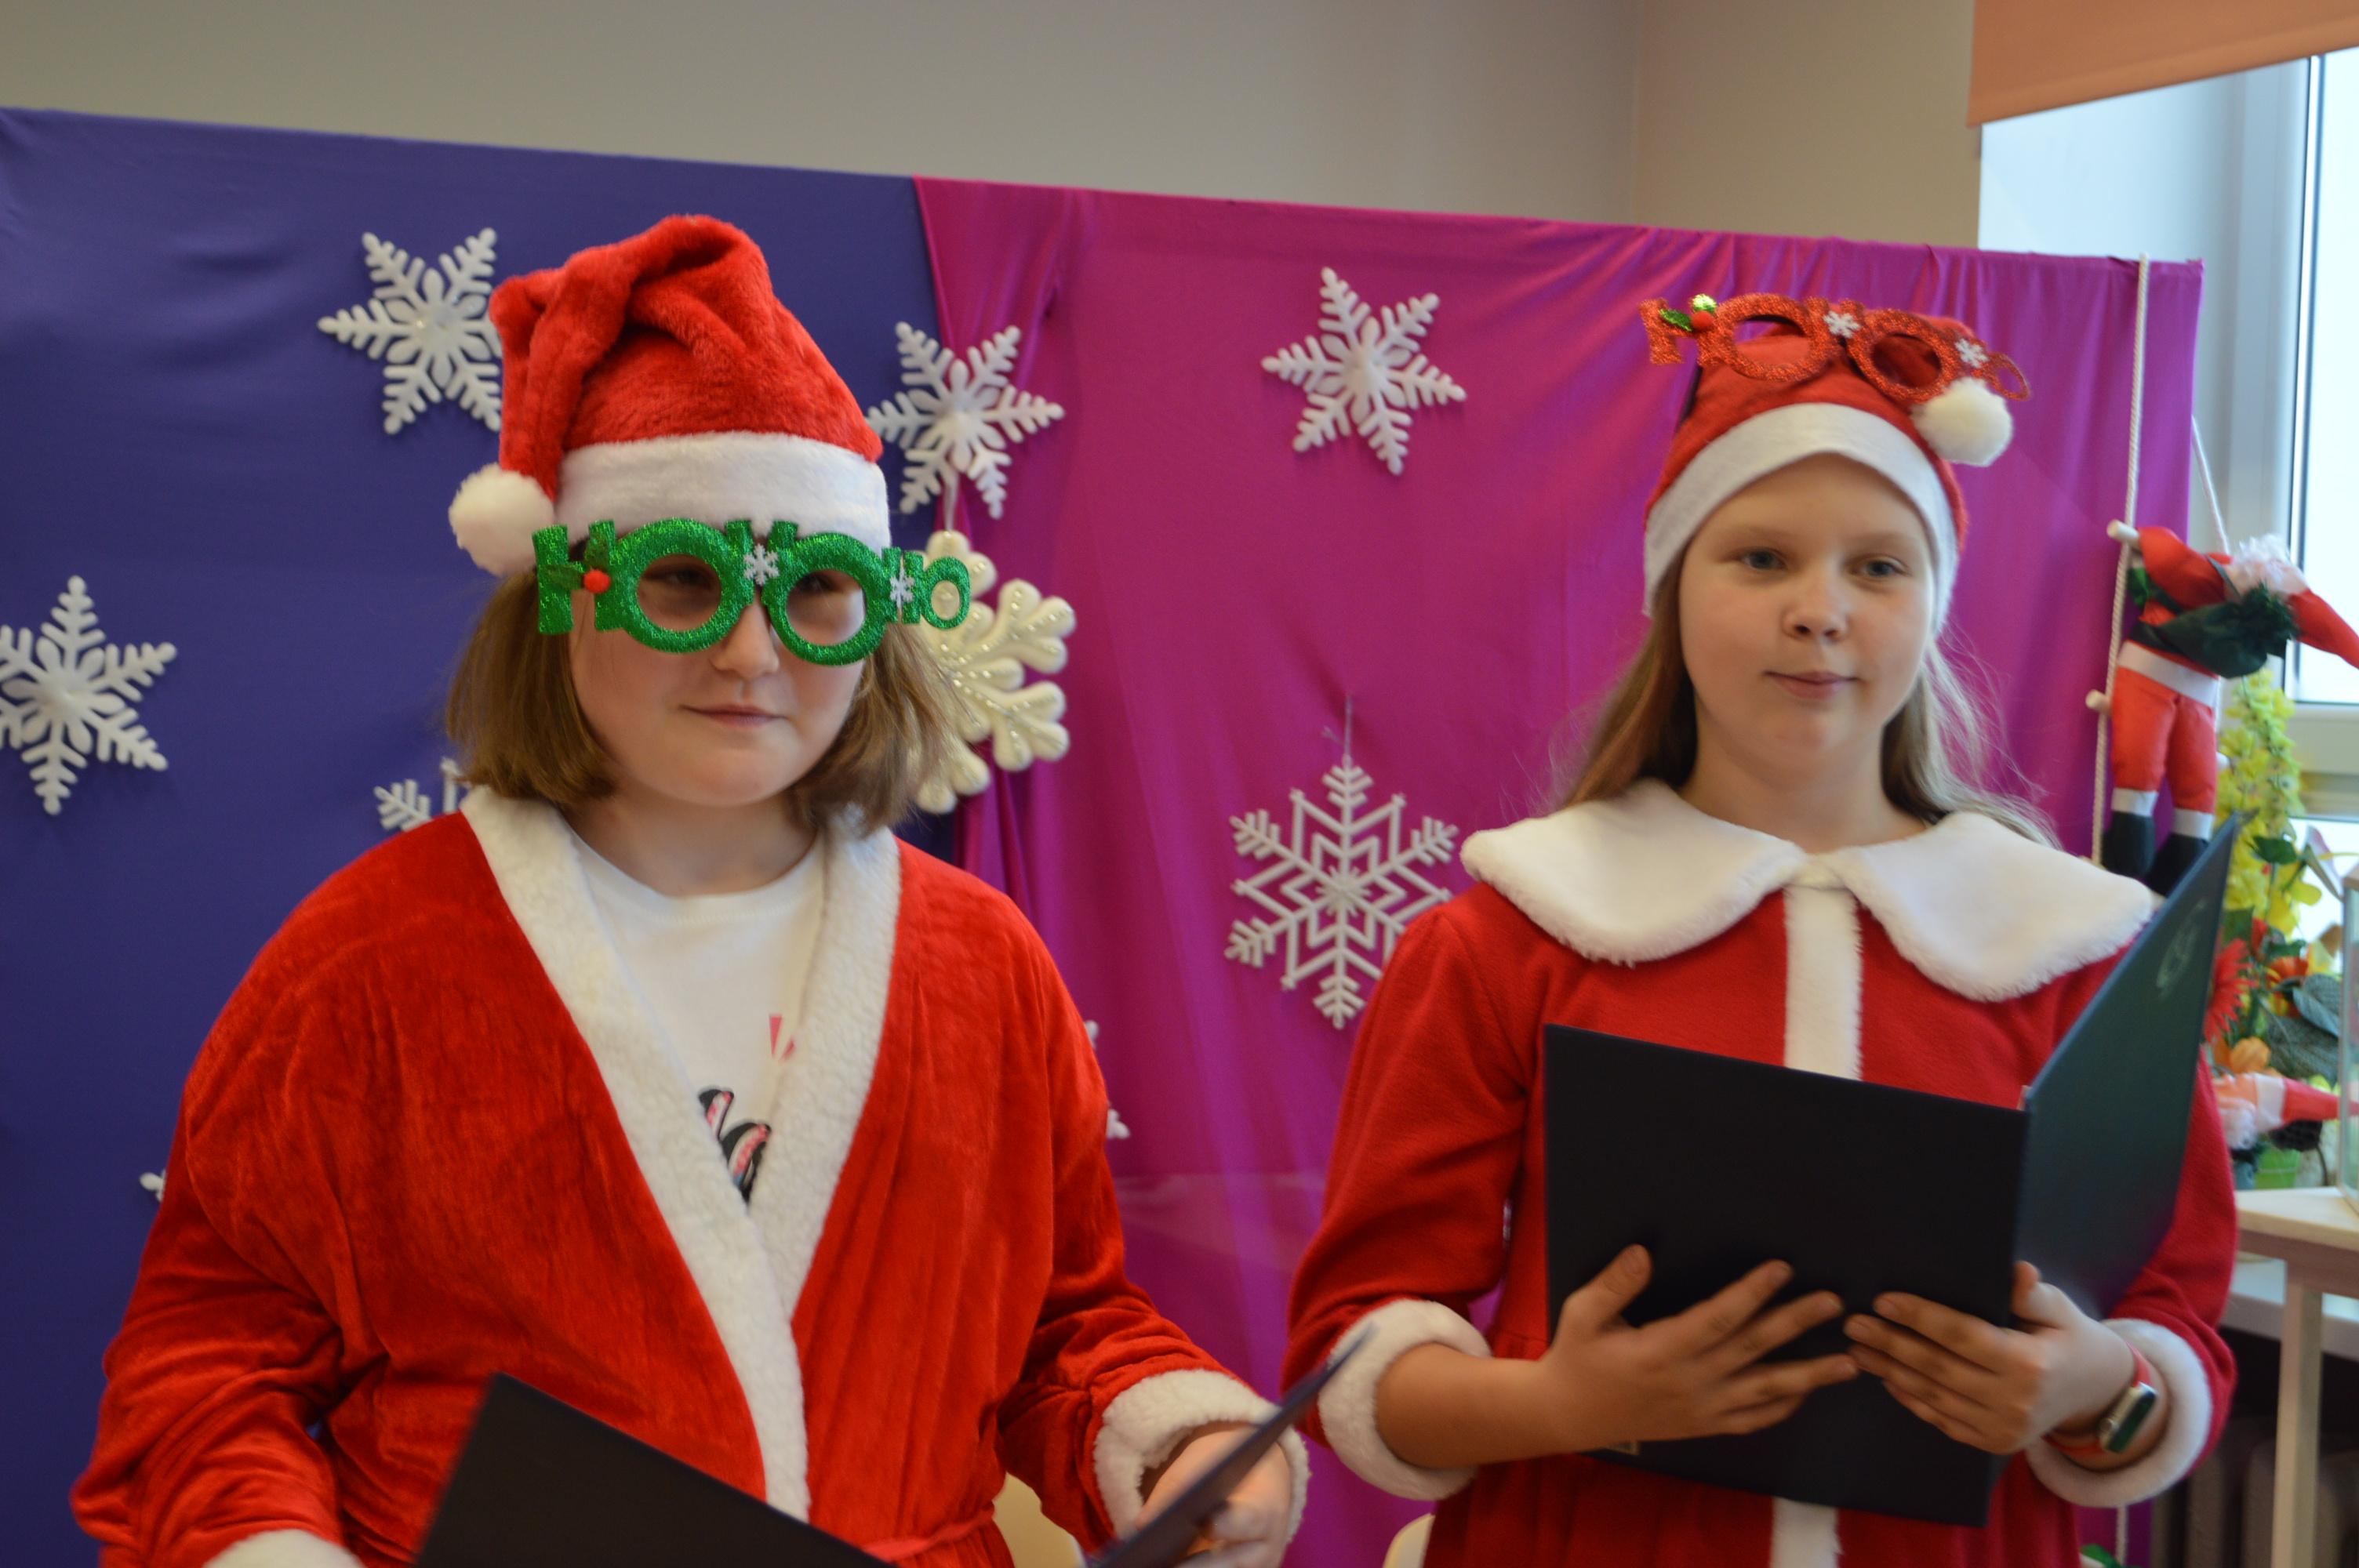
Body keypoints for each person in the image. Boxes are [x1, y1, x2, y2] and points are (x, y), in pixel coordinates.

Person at [76, 216, 1301, 1568]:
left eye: (820, 589)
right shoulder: (372, 959)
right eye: (680, 580)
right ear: (563, 599)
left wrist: (1173, 1444)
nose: (751, 652)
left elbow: (1060, 1326)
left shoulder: (982, 966)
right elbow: (210, 1364)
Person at [1283, 292, 2237, 1567]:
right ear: (1673, 589)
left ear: (1934, 604)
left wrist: (2094, 1384)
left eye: (1879, 566)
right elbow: (1355, 1351)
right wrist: (1565, 1404)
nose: (1820, 610)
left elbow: (2175, 1330)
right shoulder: (1510, 939)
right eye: (1761, 558)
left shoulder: (2079, 951)